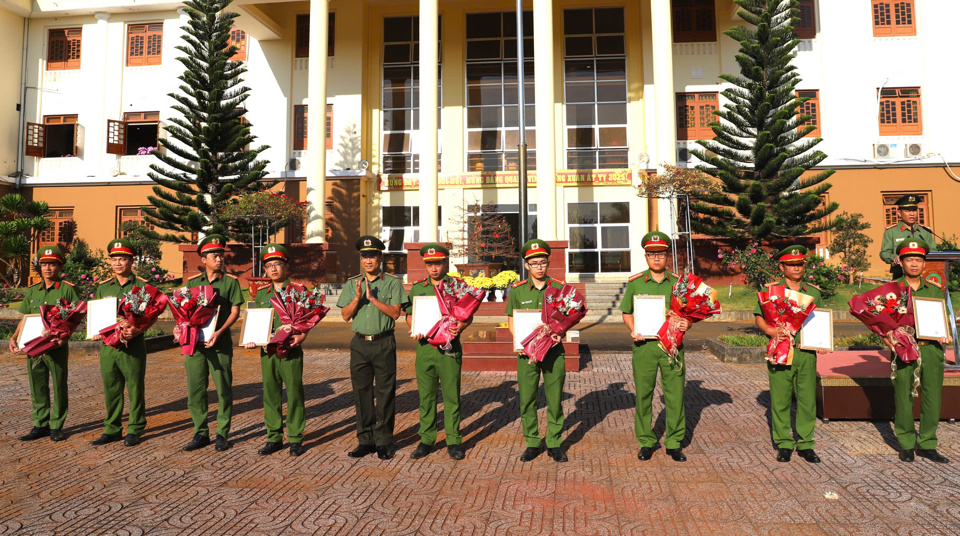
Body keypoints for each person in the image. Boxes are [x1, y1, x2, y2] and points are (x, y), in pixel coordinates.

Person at [619, 232, 690, 462]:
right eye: (652, 254)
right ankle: (646, 441)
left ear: (667, 255)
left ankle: (674, 442)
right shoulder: (636, 282)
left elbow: (688, 313)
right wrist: (633, 329)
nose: (656, 258)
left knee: (675, 395)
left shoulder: (679, 283)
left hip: (672, 347)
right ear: (646, 256)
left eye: (660, 254)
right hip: (645, 347)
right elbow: (627, 312)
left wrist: (687, 323)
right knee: (643, 395)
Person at [337, 235, 407, 460]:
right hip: (359, 344)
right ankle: (365, 440)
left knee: (385, 393)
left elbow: (396, 313)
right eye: (364, 256)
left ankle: (384, 440)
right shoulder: (351, 283)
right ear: (361, 259)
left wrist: (373, 299)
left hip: (383, 342)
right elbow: (345, 316)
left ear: (380, 258)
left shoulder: (392, 283)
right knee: (361, 393)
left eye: (373, 256)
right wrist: (357, 298)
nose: (368, 261)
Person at [754, 245, 826, 463]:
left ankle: (806, 444)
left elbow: (821, 319)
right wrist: (769, 330)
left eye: (800, 264)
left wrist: (822, 342)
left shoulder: (813, 292)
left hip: (805, 352)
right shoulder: (772, 291)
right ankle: (784, 443)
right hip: (780, 349)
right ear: (782, 266)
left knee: (807, 400)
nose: (796, 268)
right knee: (780, 399)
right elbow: (759, 315)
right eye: (792, 265)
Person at [888, 239, 950, 463]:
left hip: (931, 349)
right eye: (909, 259)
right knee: (903, 396)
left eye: (918, 260)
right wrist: (889, 340)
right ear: (901, 262)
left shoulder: (934, 290)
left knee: (932, 396)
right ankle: (905, 443)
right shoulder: (892, 291)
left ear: (924, 263)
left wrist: (945, 333)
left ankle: (927, 443)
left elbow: (943, 320)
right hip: (904, 350)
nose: (914, 264)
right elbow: (882, 322)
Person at [506, 238, 568, 463]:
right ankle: (532, 442)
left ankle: (554, 442)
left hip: (553, 352)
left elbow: (569, 319)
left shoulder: (559, 289)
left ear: (548, 263)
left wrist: (562, 332)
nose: (539, 267)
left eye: (543, 262)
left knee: (554, 398)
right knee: (528, 398)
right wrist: (520, 344)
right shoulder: (518, 291)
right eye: (534, 263)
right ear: (526, 265)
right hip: (527, 354)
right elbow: (512, 321)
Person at [404, 243, 468, 460]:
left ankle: (453, 440)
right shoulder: (418, 288)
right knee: (427, 397)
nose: (434, 268)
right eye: (429, 264)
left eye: (438, 263)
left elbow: (467, 315)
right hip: (425, 349)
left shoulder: (457, 286)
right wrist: (414, 327)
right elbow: (410, 315)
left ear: (446, 262)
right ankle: (427, 439)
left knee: (451, 396)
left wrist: (459, 327)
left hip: (449, 349)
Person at [9, 246, 79, 442]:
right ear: (39, 267)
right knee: (37, 385)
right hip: (33, 347)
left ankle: (56, 426)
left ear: (60, 266)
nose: (48, 268)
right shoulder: (33, 291)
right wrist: (15, 337)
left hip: (56, 347)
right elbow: (26, 317)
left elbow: (75, 318)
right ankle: (40, 424)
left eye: (53, 264)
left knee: (58, 385)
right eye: (44, 264)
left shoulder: (67, 289)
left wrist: (64, 337)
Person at [181, 234, 243, 452]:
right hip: (195, 345)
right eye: (214, 255)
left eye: (221, 255)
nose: (219, 258)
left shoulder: (230, 282)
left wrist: (220, 331)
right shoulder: (191, 284)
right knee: (196, 390)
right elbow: (183, 313)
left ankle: (222, 433)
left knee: (223, 389)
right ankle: (200, 433)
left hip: (220, 343)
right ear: (203, 259)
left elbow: (235, 311)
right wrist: (179, 327)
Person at [90, 238, 155, 447]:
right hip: (108, 347)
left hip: (132, 345)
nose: (118, 263)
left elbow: (151, 315)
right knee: (111, 388)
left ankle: (135, 428)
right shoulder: (103, 288)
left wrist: (138, 330)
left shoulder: (142, 286)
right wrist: (95, 331)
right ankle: (112, 428)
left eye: (123, 259)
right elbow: (98, 315)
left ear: (131, 261)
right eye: (114, 259)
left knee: (135, 388)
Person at [245, 244, 309, 457]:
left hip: (291, 350)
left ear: (286, 266)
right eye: (269, 265)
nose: (273, 269)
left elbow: (308, 320)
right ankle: (273, 437)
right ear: (264, 270)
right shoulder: (262, 294)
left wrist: (302, 336)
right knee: (270, 394)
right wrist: (252, 338)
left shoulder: (299, 291)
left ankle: (295, 438)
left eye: (278, 264)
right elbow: (256, 321)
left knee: (294, 394)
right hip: (267, 351)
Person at [880, 194, 937, 280]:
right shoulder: (891, 232)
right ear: (899, 213)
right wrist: (894, 258)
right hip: (900, 275)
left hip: (923, 275)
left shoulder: (925, 232)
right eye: (907, 211)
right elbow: (884, 253)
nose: (911, 214)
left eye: (914, 210)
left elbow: (933, 252)